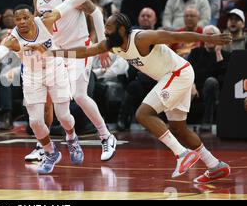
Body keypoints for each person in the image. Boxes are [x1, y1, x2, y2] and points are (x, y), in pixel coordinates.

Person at [31, 12, 232, 183]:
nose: (106, 32)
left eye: (109, 28)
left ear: (121, 29)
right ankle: (215, 165)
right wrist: (54, 53)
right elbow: (85, 50)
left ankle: (182, 154)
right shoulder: (112, 44)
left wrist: (207, 39)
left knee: (143, 114)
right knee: (178, 128)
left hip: (178, 73)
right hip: (170, 77)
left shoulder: (141, 38)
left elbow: (171, 35)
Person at [0, 0, 116, 174]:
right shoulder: (13, 38)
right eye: (18, 19)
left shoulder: (46, 21)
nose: (22, 22)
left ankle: (71, 138)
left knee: (64, 116)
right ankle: (50, 152)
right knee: (35, 122)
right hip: (32, 75)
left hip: (55, 69)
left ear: (32, 16)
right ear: (14, 22)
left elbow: (72, 2)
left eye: (25, 17)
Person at [28, 0, 117, 163]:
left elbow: (95, 12)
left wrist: (102, 45)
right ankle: (43, 146)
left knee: (79, 95)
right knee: (46, 98)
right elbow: (38, 24)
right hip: (57, 52)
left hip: (80, 48)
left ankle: (106, 136)